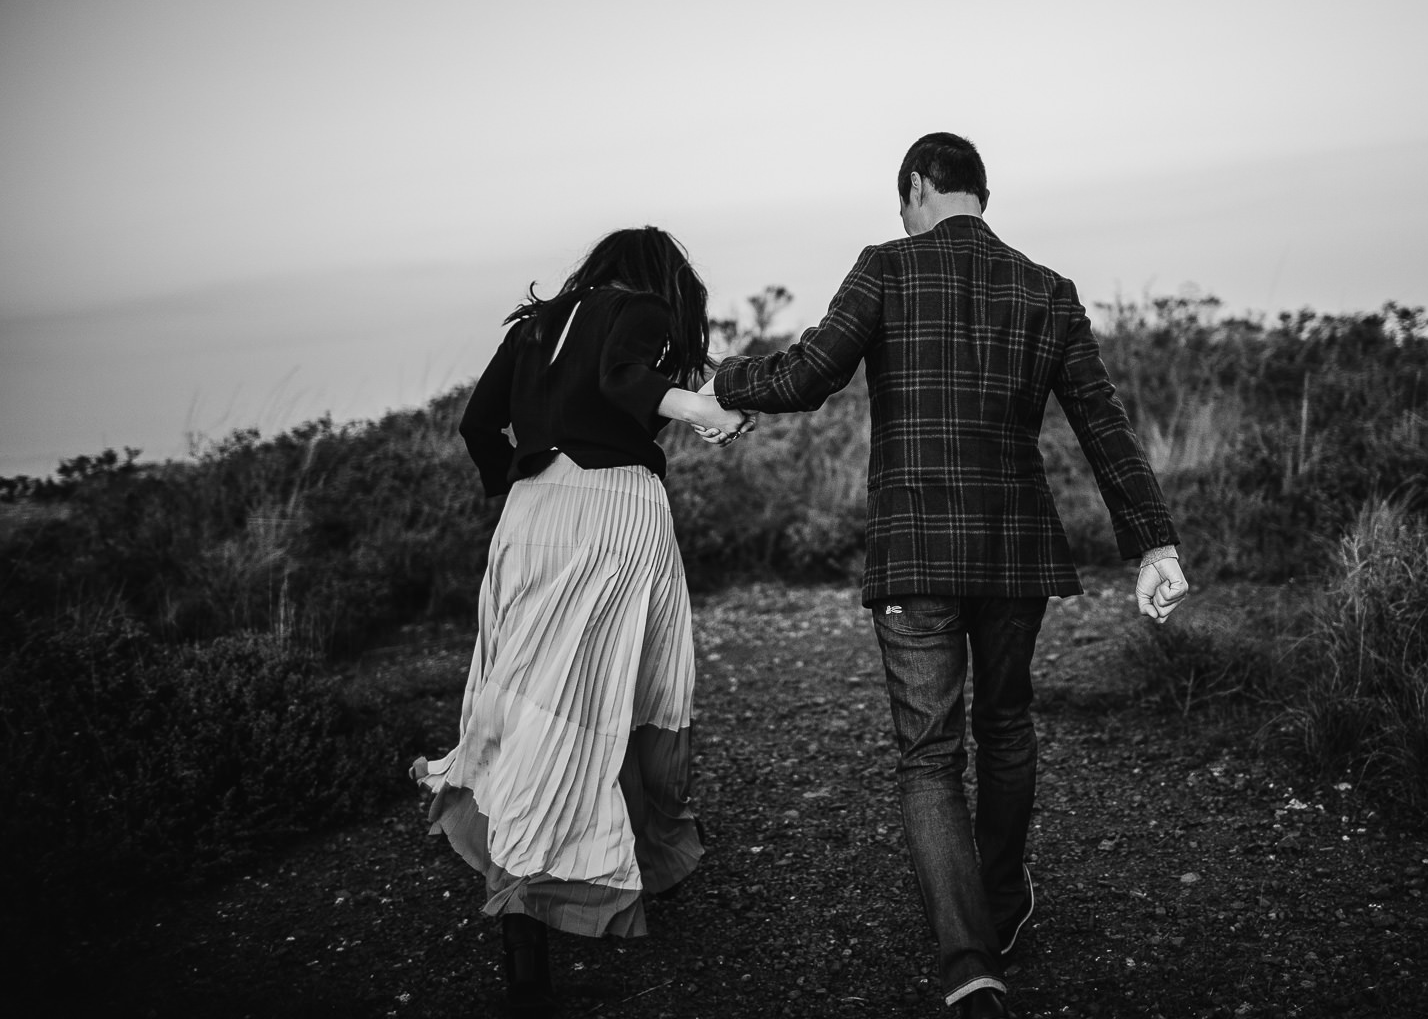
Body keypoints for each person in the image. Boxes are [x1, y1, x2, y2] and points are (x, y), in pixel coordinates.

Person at [706, 133, 1189, 1017]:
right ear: (982, 191)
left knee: (929, 759)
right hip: (1014, 553)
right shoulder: (1049, 289)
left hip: (916, 550)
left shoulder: (886, 267)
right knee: (1005, 726)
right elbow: (1103, 424)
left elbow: (813, 373)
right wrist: (1155, 545)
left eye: (904, 201)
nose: (904, 216)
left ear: (919, 187)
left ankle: (969, 967)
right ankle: (1001, 906)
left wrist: (726, 386)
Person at [412, 226, 753, 1016]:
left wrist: (527, 478)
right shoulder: (636, 308)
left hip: (526, 518)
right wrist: (704, 408)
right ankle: (567, 882)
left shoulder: (534, 327)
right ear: (659, 281)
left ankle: (534, 932)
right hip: (612, 515)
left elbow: (475, 426)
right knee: (617, 695)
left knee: (525, 701)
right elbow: (624, 375)